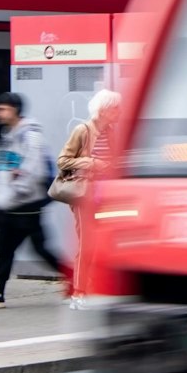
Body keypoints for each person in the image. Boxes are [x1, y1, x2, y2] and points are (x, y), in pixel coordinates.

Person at [0, 91, 69, 309]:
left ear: (14, 110)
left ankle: (75, 279)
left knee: (38, 249)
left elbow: (33, 169)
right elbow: (2, 167)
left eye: (1, 109)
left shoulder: (30, 135)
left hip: (27, 205)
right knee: (5, 249)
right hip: (12, 205)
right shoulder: (8, 134)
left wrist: (15, 191)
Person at [54, 89, 120, 305]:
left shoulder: (111, 132)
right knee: (86, 244)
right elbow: (63, 160)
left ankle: (97, 288)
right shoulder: (82, 130)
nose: (119, 112)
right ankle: (79, 292)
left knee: (105, 242)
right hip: (84, 194)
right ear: (103, 110)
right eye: (115, 108)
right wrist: (92, 163)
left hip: (106, 195)